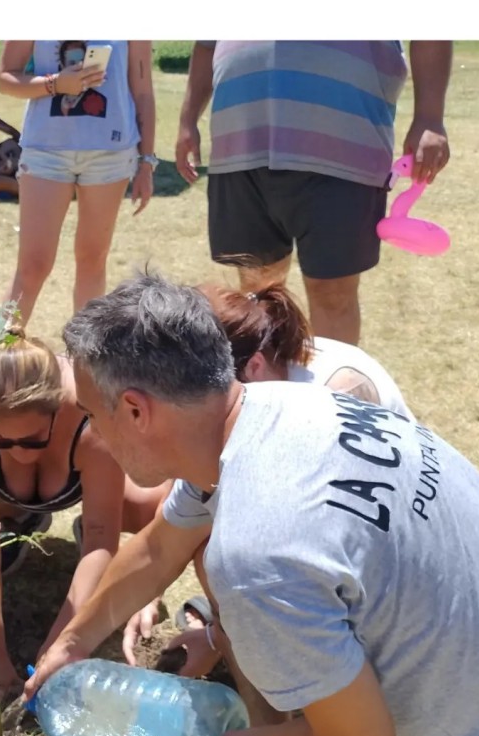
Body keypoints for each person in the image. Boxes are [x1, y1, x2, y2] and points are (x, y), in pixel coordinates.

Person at [26, 271, 479, 736]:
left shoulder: (258, 553)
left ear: (138, 410)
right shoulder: (279, 408)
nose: (91, 432)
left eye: (92, 414)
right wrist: (69, 642)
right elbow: (156, 550)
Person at [123, 281, 412, 680]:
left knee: (237, 553)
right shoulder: (248, 398)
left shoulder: (335, 396)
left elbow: (320, 545)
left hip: (384, 566)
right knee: (213, 538)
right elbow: (172, 523)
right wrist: (137, 599)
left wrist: (221, 634)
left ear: (253, 368)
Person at [0, 327, 167, 703]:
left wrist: (60, 645)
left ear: (56, 409)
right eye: (2, 440)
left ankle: (140, 575)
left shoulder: (88, 418)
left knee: (155, 508)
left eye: (30, 439)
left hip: (82, 483)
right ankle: (21, 520)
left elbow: (100, 535)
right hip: (10, 492)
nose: (16, 452)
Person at [175, 41, 453, 345]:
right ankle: (267, 388)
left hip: (343, 141)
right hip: (241, 143)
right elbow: (206, 44)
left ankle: (333, 392)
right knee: (258, 294)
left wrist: (430, 116)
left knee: (333, 295)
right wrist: (188, 118)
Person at [0, 40, 156, 326]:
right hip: (46, 150)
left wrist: (147, 162)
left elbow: (143, 91)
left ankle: (86, 365)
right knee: (33, 267)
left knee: (92, 260)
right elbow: (6, 79)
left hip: (111, 154)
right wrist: (55, 84)